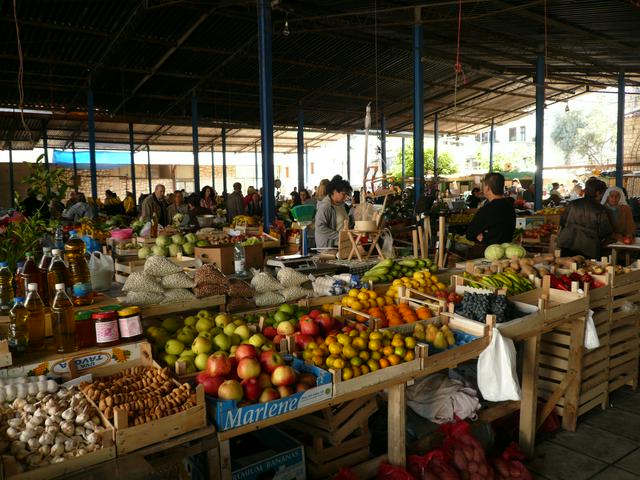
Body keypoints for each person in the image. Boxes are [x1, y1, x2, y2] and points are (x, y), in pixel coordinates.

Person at [558, 178, 612, 258]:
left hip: (567, 244)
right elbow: (605, 231)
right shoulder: (600, 209)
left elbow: (562, 222)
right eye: (603, 193)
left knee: (566, 269)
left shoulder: (573, 204)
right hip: (588, 249)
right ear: (598, 193)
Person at [465, 172, 516, 245]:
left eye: (484, 185)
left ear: (487, 188)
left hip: (491, 252)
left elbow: (470, 234)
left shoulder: (486, 210)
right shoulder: (509, 206)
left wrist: (481, 234)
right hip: (508, 250)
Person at [315, 175, 353, 248]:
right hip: (329, 247)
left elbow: (343, 223)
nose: (345, 197)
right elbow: (320, 227)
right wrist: (340, 235)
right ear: (334, 191)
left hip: (342, 245)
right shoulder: (325, 206)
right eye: (343, 194)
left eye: (346, 194)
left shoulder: (341, 205)